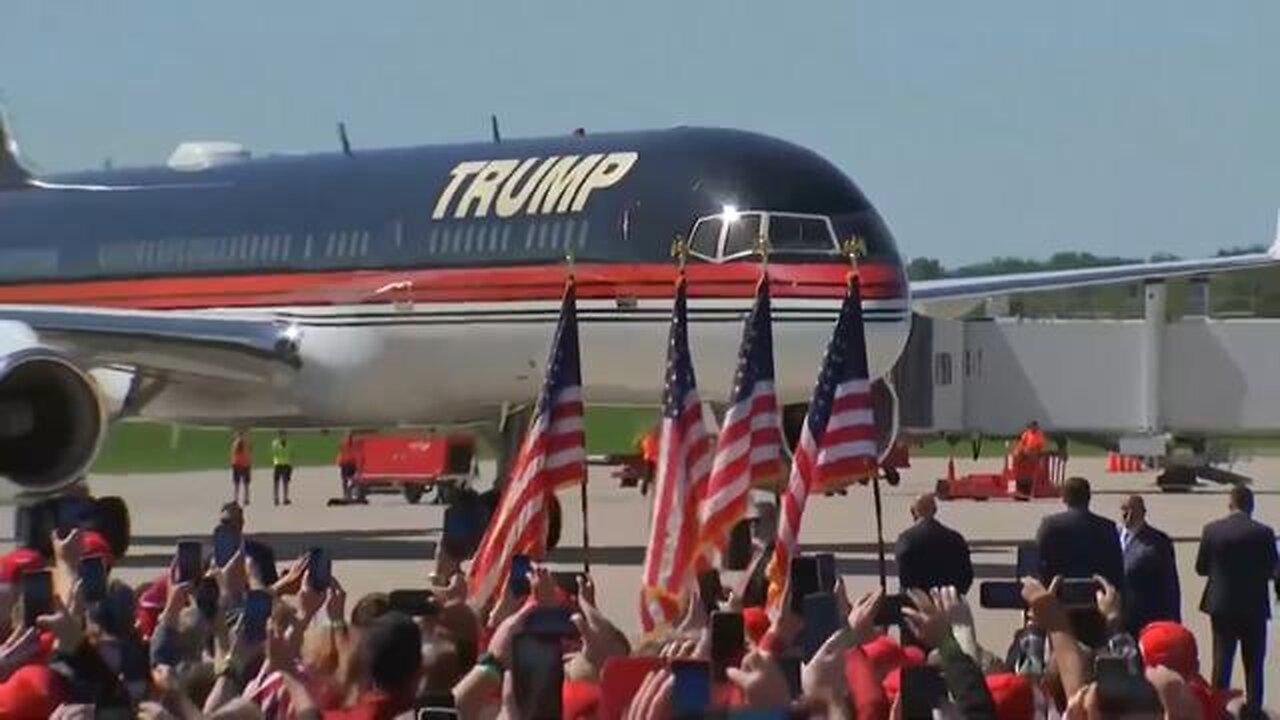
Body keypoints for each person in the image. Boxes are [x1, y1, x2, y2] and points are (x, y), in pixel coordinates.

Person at [1195, 484, 1278, 714]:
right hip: (1253, 606)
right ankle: (1253, 710)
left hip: (1222, 605)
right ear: (1251, 506)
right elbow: (1273, 568)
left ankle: (1218, 710)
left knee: (1222, 661)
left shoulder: (1212, 530)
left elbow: (1201, 568)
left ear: (1230, 504)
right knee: (1254, 664)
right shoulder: (1264, 533)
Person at [1035, 476, 1124, 647]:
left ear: (1064, 497)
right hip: (1096, 604)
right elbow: (1117, 568)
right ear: (1088, 497)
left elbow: (1041, 564)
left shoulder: (1050, 525)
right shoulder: (1107, 527)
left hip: (1061, 603)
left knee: (1063, 655)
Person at [1118, 494, 1181, 636]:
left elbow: (1169, 585)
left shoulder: (1158, 542)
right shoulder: (1112, 535)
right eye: (1124, 509)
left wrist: (1173, 622)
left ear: (1143, 513)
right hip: (1115, 618)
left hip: (1143, 619)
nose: (1127, 515)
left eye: (1133, 510)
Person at [894, 493, 974, 594]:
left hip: (917, 603)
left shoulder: (906, 539)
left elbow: (903, 576)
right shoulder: (956, 538)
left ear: (912, 512)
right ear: (935, 510)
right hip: (949, 602)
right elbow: (967, 576)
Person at [1012, 421, 1047, 496]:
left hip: (1034, 451)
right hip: (1026, 450)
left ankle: (1030, 485)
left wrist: (1033, 450)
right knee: (1017, 453)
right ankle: (1018, 468)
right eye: (1031, 426)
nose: (1033, 428)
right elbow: (1022, 443)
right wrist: (1021, 449)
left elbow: (1040, 446)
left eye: (1034, 426)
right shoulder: (1027, 433)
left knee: (1031, 455)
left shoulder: (1039, 434)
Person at [271, 430, 293, 506]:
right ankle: (276, 498)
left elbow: (290, 453)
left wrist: (290, 464)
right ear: (279, 436)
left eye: (284, 435)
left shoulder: (289, 443)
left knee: (285, 482)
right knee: (276, 482)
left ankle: (285, 498)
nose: (283, 437)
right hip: (278, 464)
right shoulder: (275, 443)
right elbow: (274, 453)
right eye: (281, 435)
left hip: (286, 464)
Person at [230, 431, 252, 506]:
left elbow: (249, 451)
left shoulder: (245, 443)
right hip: (238, 464)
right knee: (237, 483)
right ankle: (236, 499)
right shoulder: (236, 443)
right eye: (239, 435)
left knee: (245, 483)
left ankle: (246, 498)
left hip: (244, 464)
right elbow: (233, 452)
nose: (241, 437)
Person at [336, 432, 360, 500]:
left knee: (348, 480)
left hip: (350, 463)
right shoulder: (346, 443)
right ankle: (347, 493)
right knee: (347, 480)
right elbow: (340, 450)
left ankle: (348, 493)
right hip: (348, 463)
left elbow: (340, 449)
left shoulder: (351, 443)